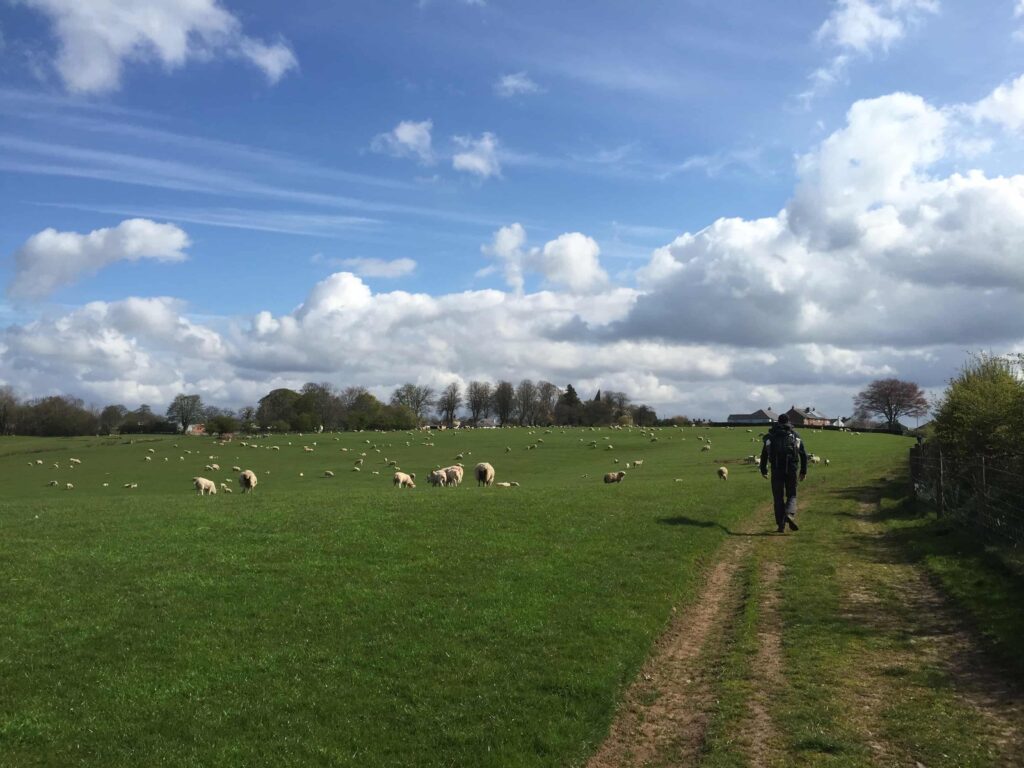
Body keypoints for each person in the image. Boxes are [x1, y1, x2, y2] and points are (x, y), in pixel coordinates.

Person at [760, 413, 808, 533]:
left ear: (778, 422)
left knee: (778, 498)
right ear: (788, 422)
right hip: (791, 469)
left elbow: (764, 454)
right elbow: (803, 454)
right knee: (792, 494)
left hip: (776, 469)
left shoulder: (770, 436)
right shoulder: (795, 435)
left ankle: (780, 525)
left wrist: (763, 470)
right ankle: (789, 514)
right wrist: (803, 471)